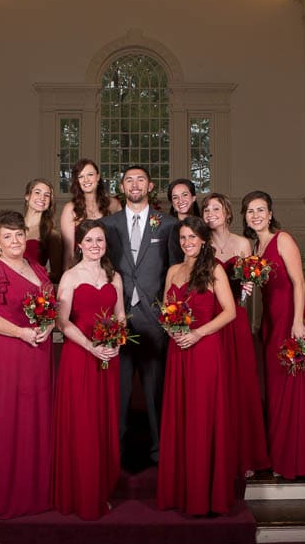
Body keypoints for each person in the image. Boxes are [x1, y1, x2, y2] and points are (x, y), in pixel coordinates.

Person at [0, 210, 55, 520]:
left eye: (19, 234)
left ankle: (37, 489)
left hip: (38, 350)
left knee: (36, 417)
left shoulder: (37, 267)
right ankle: (9, 491)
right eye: (7, 236)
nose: (15, 240)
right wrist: (22, 332)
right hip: (7, 351)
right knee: (9, 417)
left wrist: (48, 327)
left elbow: (51, 309)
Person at [101, 166, 181, 465]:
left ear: (150, 186)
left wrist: (170, 317)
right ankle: (116, 452)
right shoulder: (107, 225)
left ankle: (160, 452)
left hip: (154, 320)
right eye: (129, 180)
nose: (135, 185)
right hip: (117, 320)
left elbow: (175, 271)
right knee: (118, 393)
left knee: (155, 392)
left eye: (140, 180)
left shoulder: (168, 224)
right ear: (122, 187)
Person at [157, 216, 236, 516]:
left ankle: (205, 495)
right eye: (183, 238)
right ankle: (180, 491)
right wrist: (171, 330)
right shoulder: (173, 271)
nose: (187, 242)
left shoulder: (214, 270)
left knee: (202, 418)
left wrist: (197, 333)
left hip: (204, 350)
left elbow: (229, 312)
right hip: (178, 350)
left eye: (193, 237)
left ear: (204, 240)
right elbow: (166, 311)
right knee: (181, 416)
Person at [51, 219, 123, 520]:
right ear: (79, 245)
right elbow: (61, 321)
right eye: (89, 240)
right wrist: (91, 346)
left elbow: (120, 316)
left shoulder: (114, 276)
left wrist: (116, 341)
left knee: (104, 422)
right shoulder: (70, 276)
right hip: (80, 357)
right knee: (83, 424)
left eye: (100, 240)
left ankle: (101, 488)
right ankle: (81, 492)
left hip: (108, 357)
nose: (95, 245)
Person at [242, 190, 305, 480]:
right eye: (250, 211)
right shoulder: (254, 247)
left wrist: (298, 322)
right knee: (275, 391)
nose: (256, 215)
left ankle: (294, 462)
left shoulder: (282, 239)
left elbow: (299, 283)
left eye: (261, 210)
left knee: (292, 389)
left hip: (290, 319)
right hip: (271, 322)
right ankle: (278, 456)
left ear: (270, 214)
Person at [202, 193, 270, 478]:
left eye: (216, 208)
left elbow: (248, 283)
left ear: (228, 213)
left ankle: (244, 455)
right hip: (209, 319)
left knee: (240, 384)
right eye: (206, 209)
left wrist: (247, 287)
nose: (210, 213)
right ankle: (214, 454)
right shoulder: (200, 243)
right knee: (214, 385)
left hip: (236, 319)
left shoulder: (243, 244)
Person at [60, 159, 122, 270]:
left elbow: (122, 243)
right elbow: (69, 253)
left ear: (98, 177)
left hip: (111, 266)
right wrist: (67, 277)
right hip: (81, 269)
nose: (86, 180)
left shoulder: (114, 205)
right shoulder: (70, 209)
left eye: (90, 174)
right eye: (81, 176)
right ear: (77, 181)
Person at [23, 178, 63, 283]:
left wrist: (33, 277)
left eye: (47, 195)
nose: (42, 198)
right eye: (37, 192)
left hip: (32, 288)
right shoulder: (11, 226)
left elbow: (56, 275)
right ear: (27, 196)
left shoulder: (51, 234)